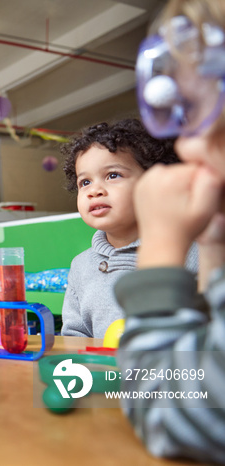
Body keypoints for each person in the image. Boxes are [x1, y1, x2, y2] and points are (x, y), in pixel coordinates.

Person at [113, 0, 225, 461]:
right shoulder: (84, 262)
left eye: (204, 110)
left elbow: (171, 409)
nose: (187, 142)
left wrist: (160, 244)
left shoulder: (166, 242)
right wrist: (216, 241)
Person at [59, 119, 198, 339]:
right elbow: (75, 336)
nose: (94, 190)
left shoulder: (188, 254)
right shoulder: (81, 266)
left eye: (113, 175)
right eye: (84, 182)